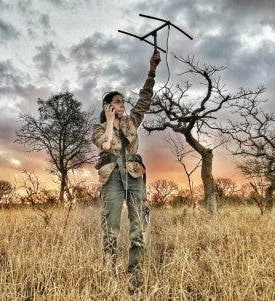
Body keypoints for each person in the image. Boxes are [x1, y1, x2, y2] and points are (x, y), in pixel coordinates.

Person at [92, 50, 161, 288]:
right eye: (118, 101)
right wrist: (110, 122)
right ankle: (109, 273)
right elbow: (105, 145)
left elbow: (145, 98)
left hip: (133, 173)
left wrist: (151, 70)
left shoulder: (133, 121)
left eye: (123, 101)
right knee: (110, 226)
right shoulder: (99, 127)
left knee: (138, 224)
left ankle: (135, 273)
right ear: (108, 106)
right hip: (111, 176)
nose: (123, 104)